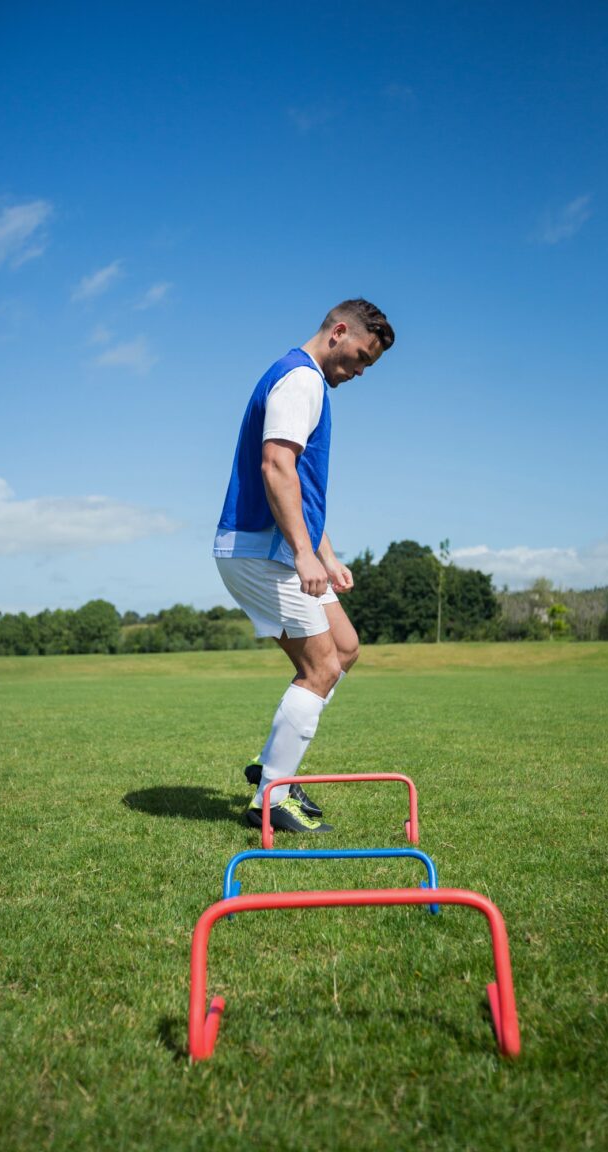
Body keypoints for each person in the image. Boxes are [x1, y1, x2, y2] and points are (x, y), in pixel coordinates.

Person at [213, 298, 395, 833]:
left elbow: (300, 484)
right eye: (360, 357)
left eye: (368, 366)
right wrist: (300, 551)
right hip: (260, 552)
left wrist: (325, 552)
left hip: (281, 549)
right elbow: (276, 467)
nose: (359, 372)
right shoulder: (301, 380)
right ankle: (273, 795)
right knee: (320, 668)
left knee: (344, 648)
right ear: (339, 331)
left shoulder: (307, 380)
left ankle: (273, 767)